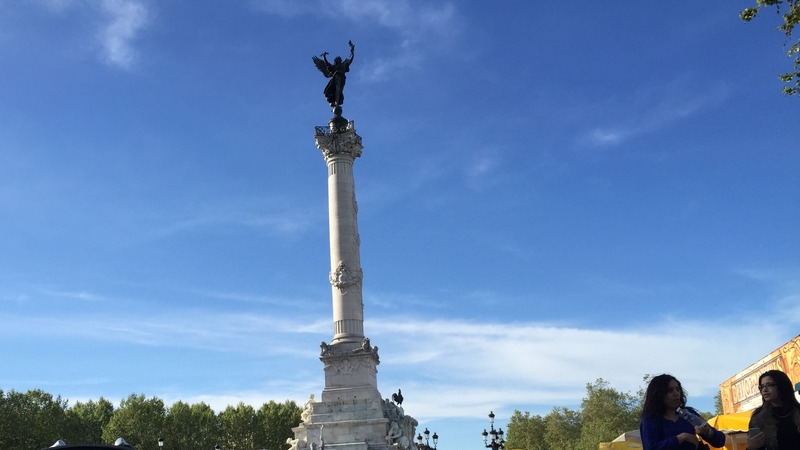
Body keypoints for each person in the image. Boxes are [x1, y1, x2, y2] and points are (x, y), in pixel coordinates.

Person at [640, 374, 726, 450]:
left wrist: (708, 432)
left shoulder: (688, 414)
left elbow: (720, 441)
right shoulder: (651, 418)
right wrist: (682, 437)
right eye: (670, 391)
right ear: (658, 395)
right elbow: (650, 447)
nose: (676, 393)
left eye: (677, 389)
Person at [747, 370, 800, 449]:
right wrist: (751, 447)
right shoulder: (758, 418)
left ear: (782, 386)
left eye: (769, 385)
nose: (764, 390)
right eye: (761, 387)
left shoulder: (797, 412)